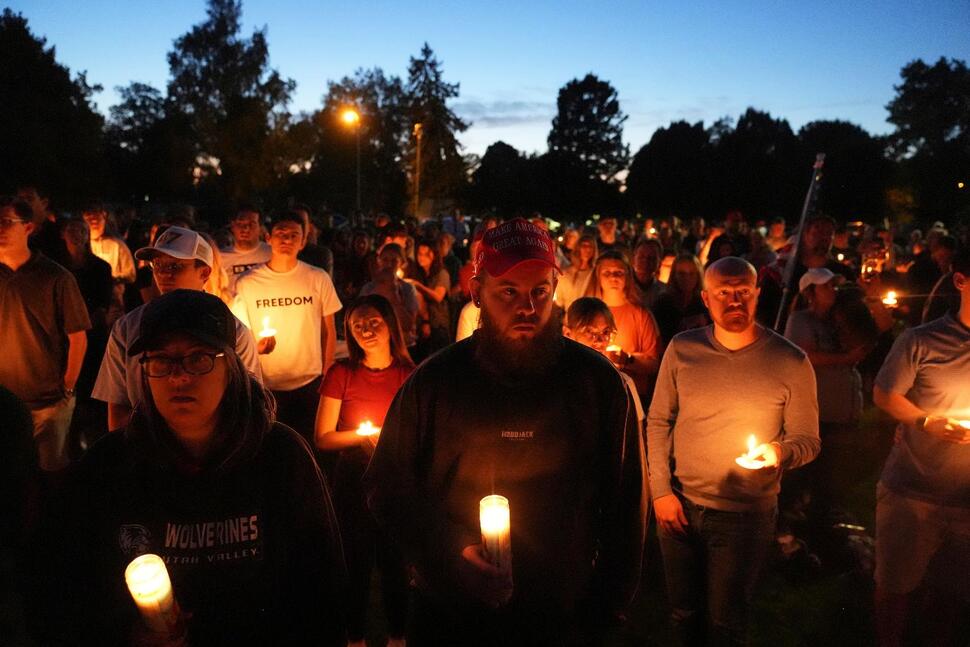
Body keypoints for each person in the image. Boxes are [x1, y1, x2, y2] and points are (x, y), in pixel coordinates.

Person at [363, 218, 646, 646]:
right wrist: (453, 549)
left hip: (561, 612)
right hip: (452, 612)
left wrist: (609, 605)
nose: (527, 308)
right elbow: (386, 485)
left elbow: (627, 501)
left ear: (556, 288)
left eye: (539, 292)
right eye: (509, 292)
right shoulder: (435, 382)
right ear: (478, 292)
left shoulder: (596, 382)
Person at [29, 290, 345, 645]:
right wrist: (127, 634)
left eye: (198, 358)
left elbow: (322, 590)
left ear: (231, 367)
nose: (178, 377)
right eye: (161, 360)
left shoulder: (281, 457)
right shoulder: (109, 468)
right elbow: (65, 587)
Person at [647, 256, 819, 646]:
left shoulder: (790, 361)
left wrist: (779, 452)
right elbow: (658, 421)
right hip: (679, 506)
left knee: (726, 621)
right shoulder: (683, 349)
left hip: (744, 516)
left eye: (743, 291)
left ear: (757, 294)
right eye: (724, 292)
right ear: (706, 298)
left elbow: (808, 439)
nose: (734, 300)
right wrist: (661, 492)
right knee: (683, 612)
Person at [871, 246, 970, 647]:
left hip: (967, 501)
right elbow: (884, 393)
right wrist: (925, 421)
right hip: (913, 492)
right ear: (961, 281)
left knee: (954, 595)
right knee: (895, 589)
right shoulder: (922, 340)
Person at [93, 226, 262, 432]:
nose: (164, 273)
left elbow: (248, 404)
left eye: (175, 266)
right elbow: (118, 406)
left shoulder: (234, 331)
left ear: (204, 272)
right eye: (158, 265)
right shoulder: (127, 328)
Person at [315, 295, 414, 647]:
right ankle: (355, 637)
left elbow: (416, 434)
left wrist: (388, 440)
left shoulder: (408, 375)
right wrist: (362, 436)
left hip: (394, 480)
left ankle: (398, 636)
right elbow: (323, 437)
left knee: (395, 561)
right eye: (357, 325)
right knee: (354, 561)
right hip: (353, 479)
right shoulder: (341, 373)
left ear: (390, 325)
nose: (366, 330)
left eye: (373, 322)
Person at [232, 212, 342, 444]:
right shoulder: (247, 282)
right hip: (265, 384)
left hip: (310, 382)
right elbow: (242, 336)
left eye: (294, 235)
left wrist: (327, 373)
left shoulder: (317, 277)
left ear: (303, 242)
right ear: (268, 238)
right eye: (281, 234)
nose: (287, 240)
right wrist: (258, 348)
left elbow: (329, 330)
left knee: (308, 445)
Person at [0, 198, 90, 472]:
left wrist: (67, 387)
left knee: (51, 471)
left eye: (6, 222)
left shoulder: (56, 278)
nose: (0, 229)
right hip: (4, 401)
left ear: (28, 227)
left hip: (48, 402)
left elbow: (78, 337)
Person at [784, 268, 872, 515]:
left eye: (833, 285)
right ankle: (796, 519)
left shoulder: (840, 319)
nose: (833, 290)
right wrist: (845, 359)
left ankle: (823, 518)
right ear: (810, 292)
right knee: (808, 472)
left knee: (834, 474)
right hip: (820, 411)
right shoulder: (800, 321)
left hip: (843, 408)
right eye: (825, 286)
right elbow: (805, 356)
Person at [586, 250, 661, 400]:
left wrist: (627, 359)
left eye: (619, 273)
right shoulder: (587, 312)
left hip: (631, 395)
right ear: (598, 276)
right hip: (594, 393)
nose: (613, 277)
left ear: (628, 276)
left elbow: (654, 364)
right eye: (607, 273)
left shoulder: (641, 315)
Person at [562, 297, 645, 429]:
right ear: (567, 333)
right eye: (589, 332)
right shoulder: (557, 381)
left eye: (606, 332)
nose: (600, 341)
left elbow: (635, 432)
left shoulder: (621, 383)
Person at [360, 243, 420, 352]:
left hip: (403, 346)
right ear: (379, 261)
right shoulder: (368, 289)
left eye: (394, 261)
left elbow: (409, 324)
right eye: (385, 260)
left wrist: (393, 297)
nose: (389, 264)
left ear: (402, 263)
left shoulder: (407, 289)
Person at [407, 238, 452, 360]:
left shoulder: (442, 274)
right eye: (419, 254)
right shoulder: (419, 273)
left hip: (438, 323)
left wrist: (418, 286)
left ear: (434, 255)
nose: (422, 257)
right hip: (421, 323)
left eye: (426, 254)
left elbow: (438, 296)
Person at [652, 253, 711, 345]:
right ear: (674, 275)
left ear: (698, 275)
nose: (687, 278)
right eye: (681, 274)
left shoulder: (706, 305)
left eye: (691, 273)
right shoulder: (662, 304)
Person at [221, 205, 271, 293]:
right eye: (240, 223)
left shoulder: (272, 254)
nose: (245, 228)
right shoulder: (221, 258)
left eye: (252, 224)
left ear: (260, 228)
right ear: (233, 226)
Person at [554, 234, 597, 312]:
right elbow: (559, 301)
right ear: (578, 248)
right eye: (584, 245)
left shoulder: (595, 273)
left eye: (590, 246)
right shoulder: (565, 273)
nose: (587, 248)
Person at [631, 238, 666, 309]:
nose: (646, 261)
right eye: (641, 257)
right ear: (634, 258)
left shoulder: (664, 292)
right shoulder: (623, 287)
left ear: (659, 263)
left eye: (652, 258)